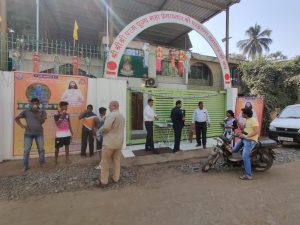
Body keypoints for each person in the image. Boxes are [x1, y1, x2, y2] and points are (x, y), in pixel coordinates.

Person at [97, 101, 125, 187]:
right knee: (117, 161)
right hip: (119, 142)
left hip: (109, 142)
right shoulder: (122, 116)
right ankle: (116, 178)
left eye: (109, 106)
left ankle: (104, 181)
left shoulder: (112, 115)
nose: (108, 108)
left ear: (114, 106)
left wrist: (100, 131)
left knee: (105, 162)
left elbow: (106, 127)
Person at [15, 98, 47, 172]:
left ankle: (42, 163)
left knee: (41, 149)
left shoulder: (42, 111)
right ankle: (25, 166)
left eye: (36, 103)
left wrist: (36, 114)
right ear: (30, 103)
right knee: (26, 150)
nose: (34, 104)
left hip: (39, 133)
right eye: (33, 103)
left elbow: (42, 121)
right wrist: (22, 126)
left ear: (38, 104)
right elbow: (16, 118)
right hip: (28, 134)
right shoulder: (26, 111)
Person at [232, 108, 259, 180]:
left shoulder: (253, 120)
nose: (241, 114)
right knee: (234, 150)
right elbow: (242, 129)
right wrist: (237, 121)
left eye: (242, 113)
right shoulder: (247, 120)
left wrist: (246, 136)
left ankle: (248, 175)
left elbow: (256, 131)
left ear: (245, 114)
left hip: (250, 140)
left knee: (245, 157)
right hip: (244, 138)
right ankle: (242, 161)